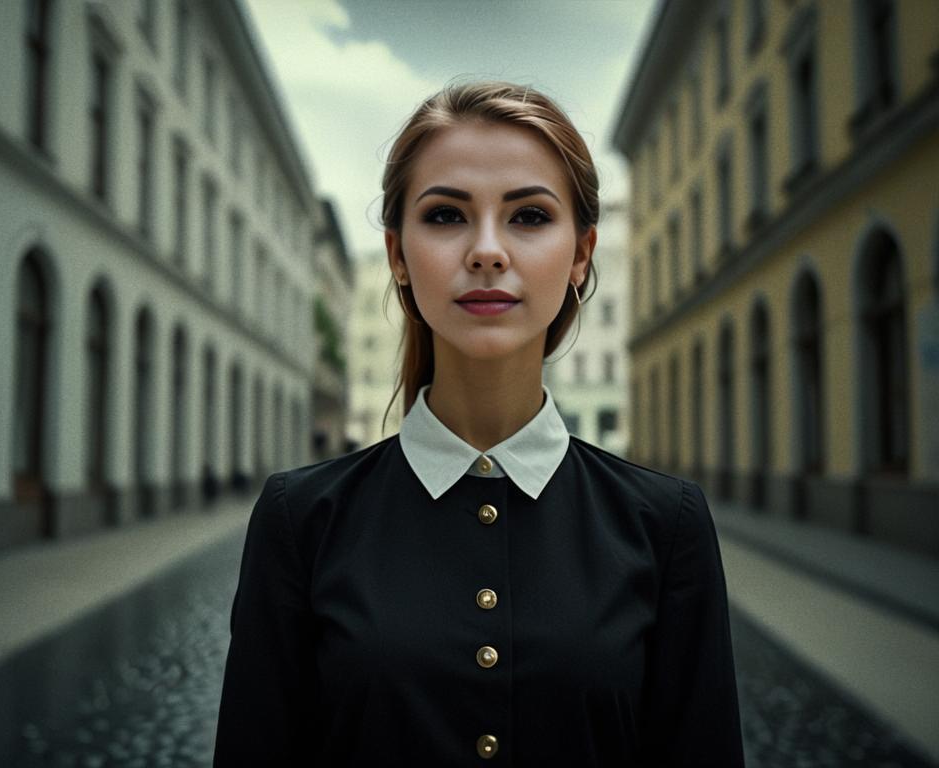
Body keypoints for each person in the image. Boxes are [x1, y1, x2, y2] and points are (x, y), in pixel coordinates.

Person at [213, 81, 745, 767]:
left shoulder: (665, 525)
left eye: (528, 217)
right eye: (444, 217)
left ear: (581, 253)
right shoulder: (302, 520)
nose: (487, 250)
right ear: (399, 255)